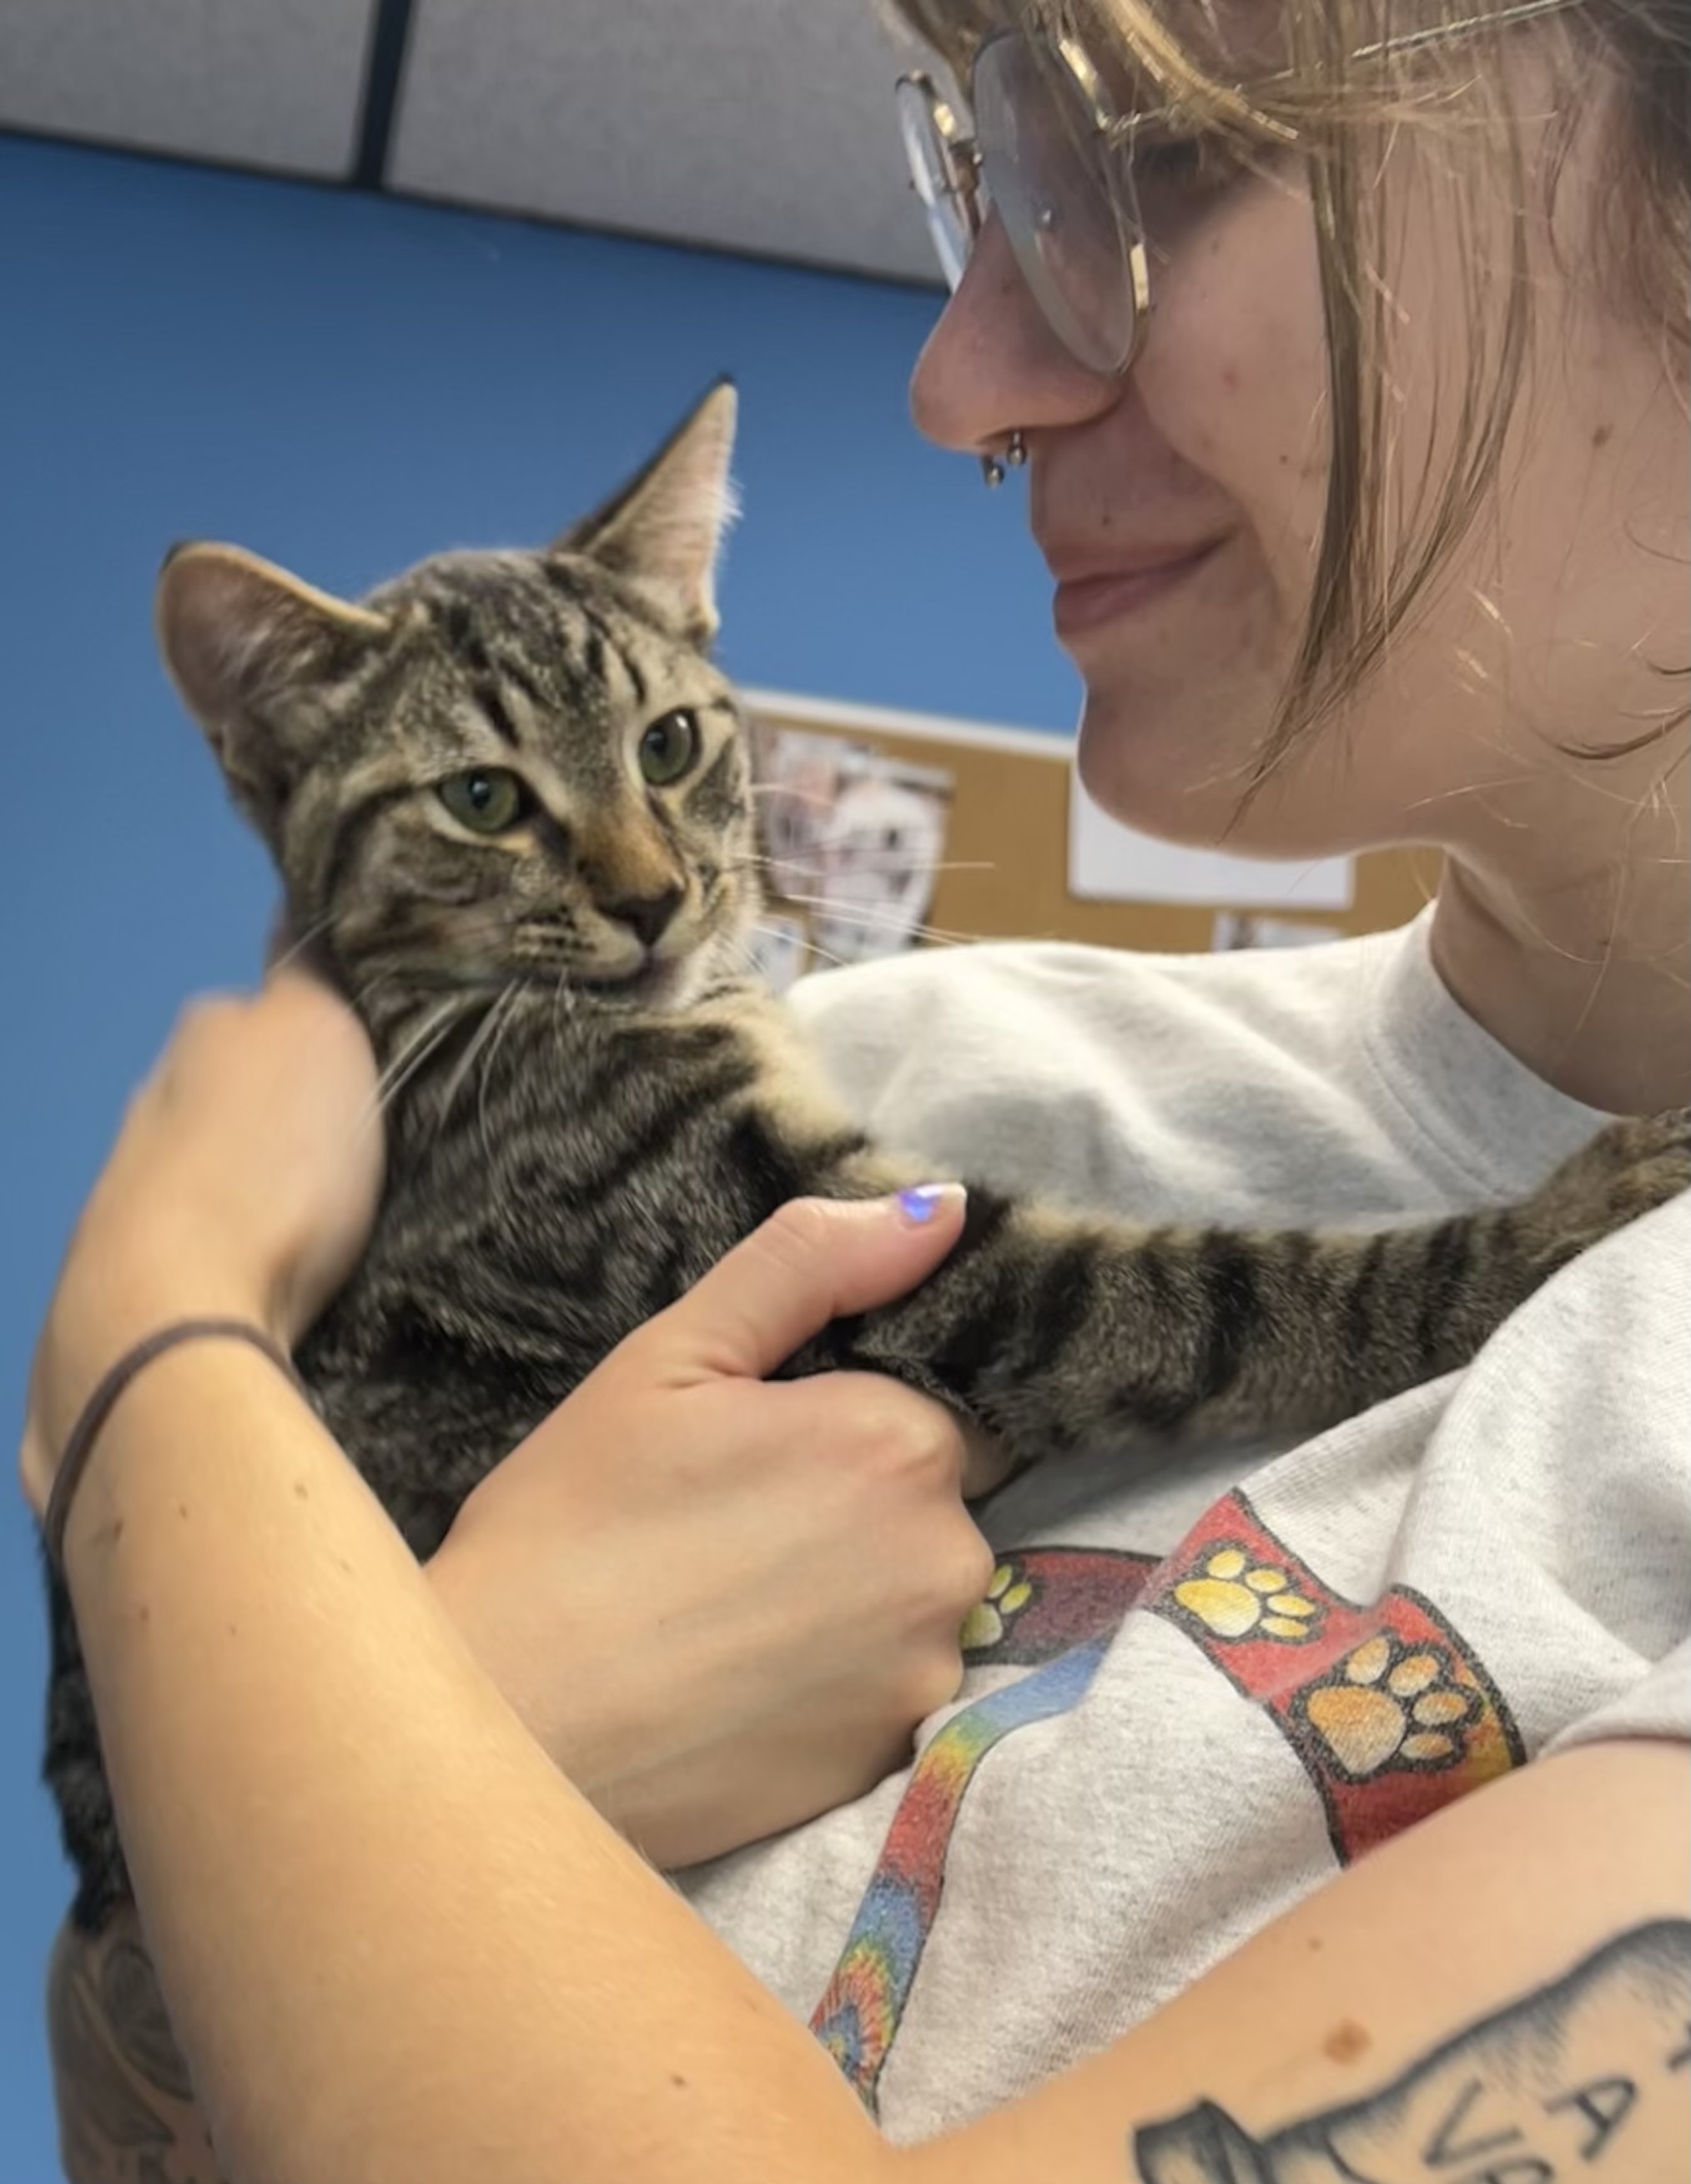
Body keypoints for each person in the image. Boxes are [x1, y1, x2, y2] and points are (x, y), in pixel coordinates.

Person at [22, 0, 1688, 2176]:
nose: (955, 379)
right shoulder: (908, 1069)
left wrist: (154, 1352)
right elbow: (143, 2102)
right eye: (980, 179)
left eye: (1151, 153)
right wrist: (472, 1728)